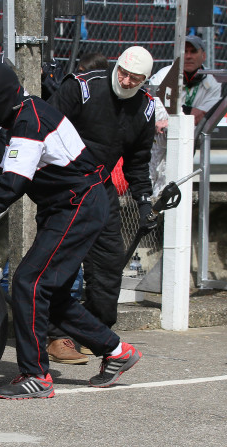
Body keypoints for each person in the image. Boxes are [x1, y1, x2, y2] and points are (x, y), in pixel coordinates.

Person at [0, 62, 142, 399]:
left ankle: (36, 375)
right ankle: (117, 351)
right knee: (51, 294)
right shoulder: (21, 116)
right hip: (64, 206)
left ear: (5, 97)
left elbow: (12, 186)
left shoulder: (30, 121)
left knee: (28, 282)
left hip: (78, 205)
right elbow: (11, 182)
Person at [47, 47, 156, 359]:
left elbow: (138, 162)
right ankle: (56, 336)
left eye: (134, 78)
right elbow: (42, 130)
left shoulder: (146, 108)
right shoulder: (81, 88)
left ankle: (95, 332)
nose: (125, 79)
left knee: (108, 266)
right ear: (117, 65)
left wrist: (144, 202)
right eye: (122, 71)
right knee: (63, 263)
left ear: (144, 80)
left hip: (102, 187)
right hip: (65, 185)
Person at [148, 35, 222, 195]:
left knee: (174, 184)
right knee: (147, 181)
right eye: (185, 51)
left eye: (193, 51)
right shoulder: (164, 74)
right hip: (155, 140)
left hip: (187, 141)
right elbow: (154, 107)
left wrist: (172, 118)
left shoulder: (213, 82)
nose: (188, 56)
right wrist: (185, 113)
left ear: (203, 55)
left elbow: (199, 116)